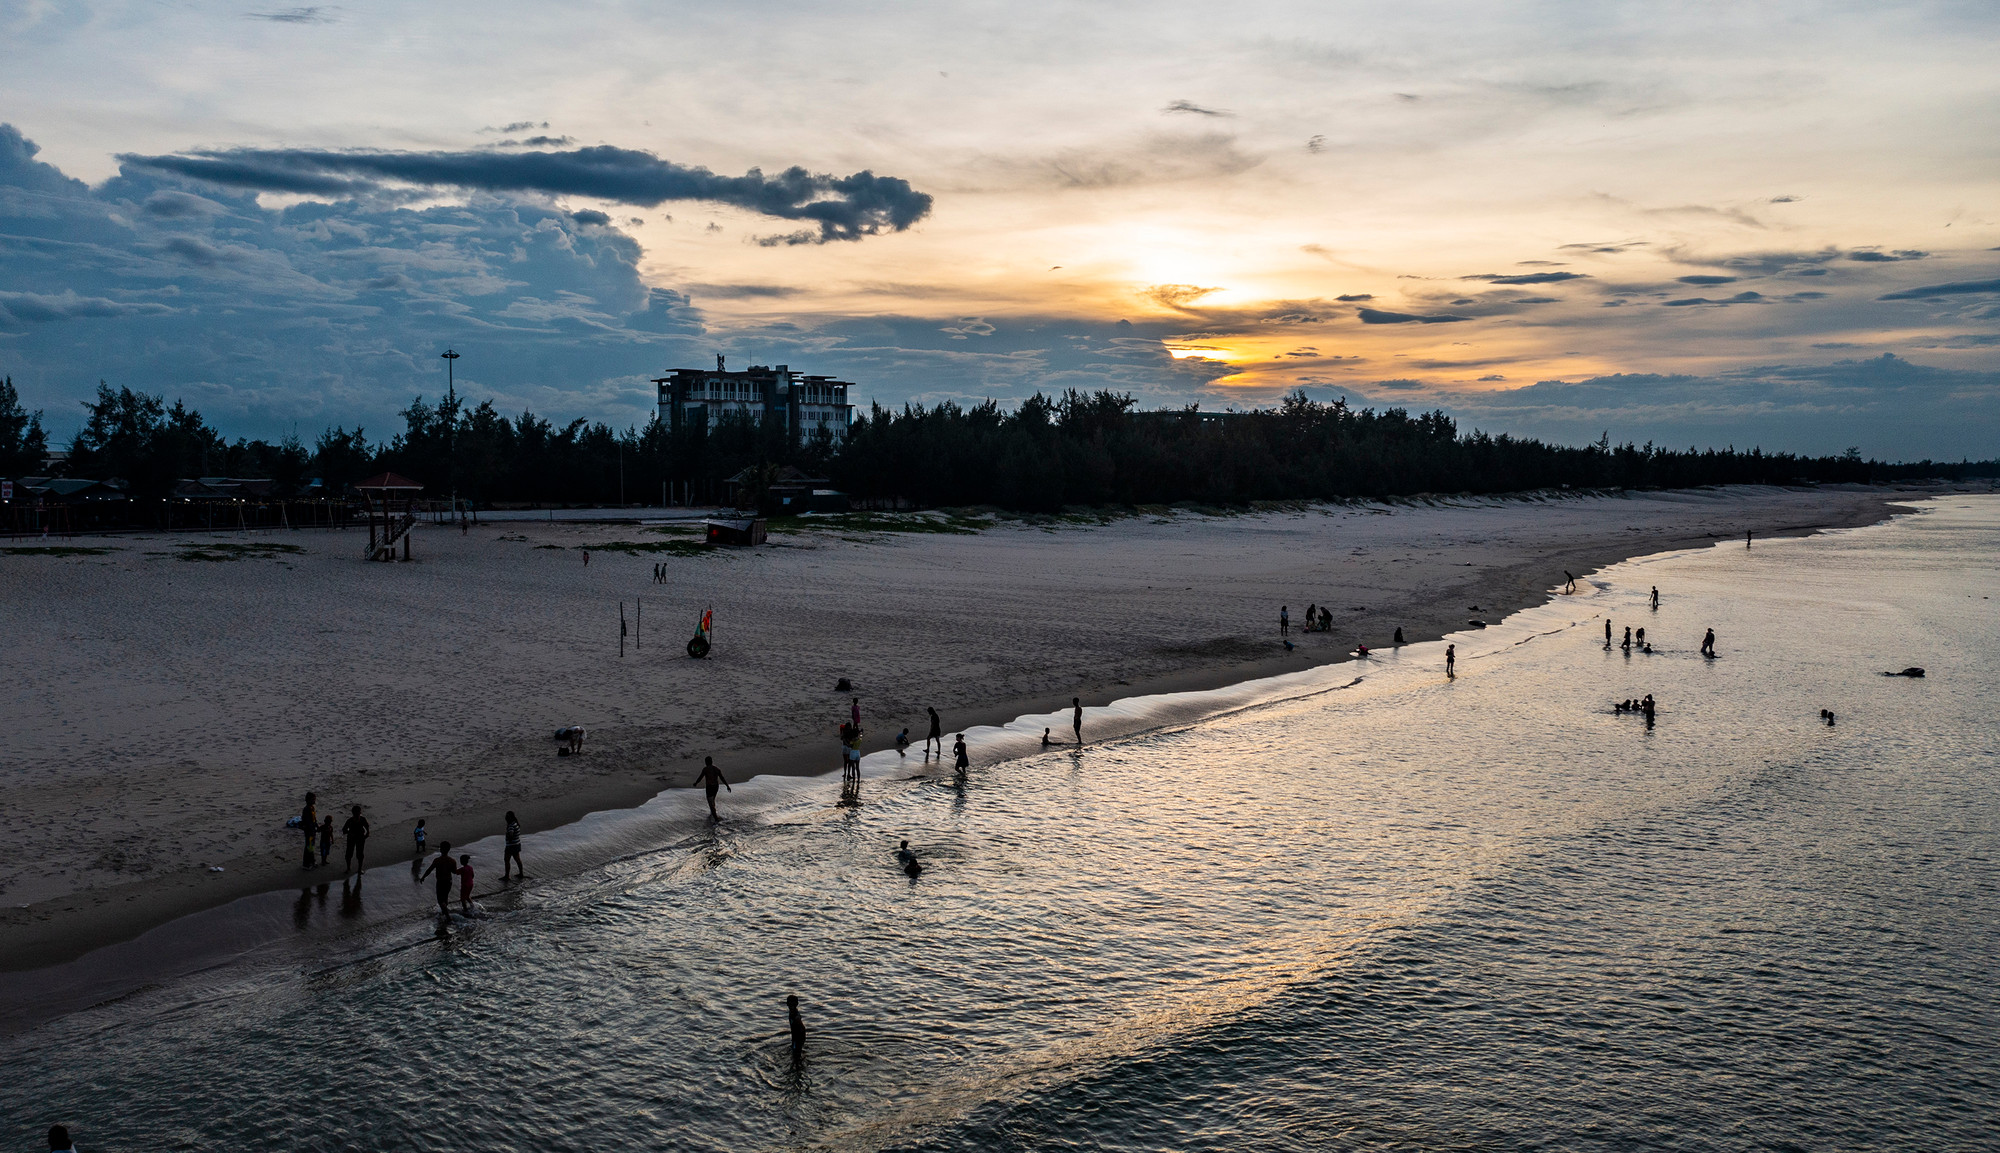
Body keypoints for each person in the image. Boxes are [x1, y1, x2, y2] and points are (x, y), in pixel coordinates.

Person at [419, 841, 456, 916]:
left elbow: (429, 870)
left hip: (440, 882)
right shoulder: (452, 861)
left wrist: (423, 877)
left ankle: (448, 916)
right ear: (449, 850)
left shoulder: (437, 860)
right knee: (445, 898)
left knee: (440, 900)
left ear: (441, 849)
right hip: (449, 881)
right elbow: (454, 872)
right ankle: (444, 912)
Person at [341, 805, 369, 876]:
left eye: (358, 813)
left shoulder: (362, 819)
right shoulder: (350, 821)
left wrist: (367, 833)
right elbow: (344, 830)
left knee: (360, 854)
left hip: (360, 838)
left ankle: (359, 869)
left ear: (360, 812)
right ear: (353, 813)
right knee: (349, 854)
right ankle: (348, 868)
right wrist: (350, 832)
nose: (357, 814)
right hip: (352, 838)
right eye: (356, 813)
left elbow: (367, 826)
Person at [503, 810, 524, 880]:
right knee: (517, 859)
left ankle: (507, 876)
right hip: (517, 844)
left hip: (511, 846)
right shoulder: (516, 824)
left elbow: (511, 834)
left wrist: (508, 838)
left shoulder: (511, 826)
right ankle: (521, 873)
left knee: (506, 860)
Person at [300, 792, 319, 869]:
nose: (314, 800)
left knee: (311, 846)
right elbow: (308, 821)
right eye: (313, 799)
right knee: (309, 846)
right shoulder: (307, 809)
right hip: (309, 831)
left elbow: (314, 819)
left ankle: (311, 860)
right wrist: (313, 828)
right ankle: (306, 863)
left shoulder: (311, 808)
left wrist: (316, 825)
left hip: (312, 830)